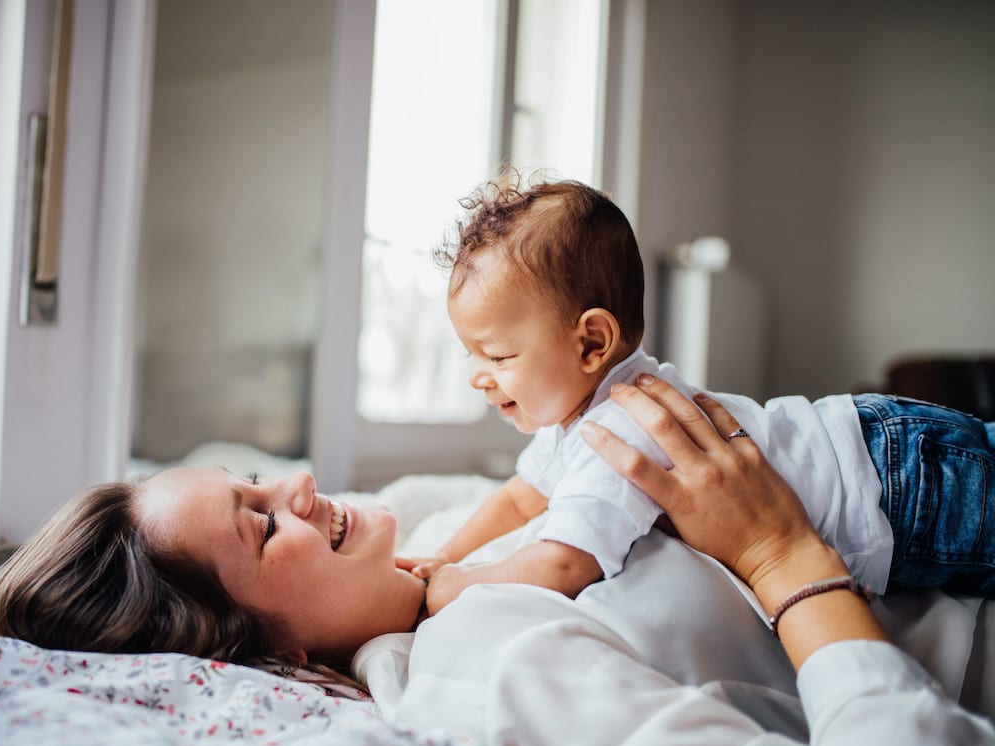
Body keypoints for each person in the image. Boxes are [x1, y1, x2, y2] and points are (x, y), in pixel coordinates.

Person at [0, 376, 995, 746]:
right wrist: (782, 557)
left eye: (256, 479)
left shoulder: (433, 552)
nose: (300, 487)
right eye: (263, 523)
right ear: (265, 654)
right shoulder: (490, 668)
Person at [406, 174, 995, 615]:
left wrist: (460, 586)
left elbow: (561, 565)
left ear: (591, 343)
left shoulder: (621, 429)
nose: (478, 376)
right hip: (882, 450)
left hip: (896, 487)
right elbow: (519, 500)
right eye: (471, 355)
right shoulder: (580, 417)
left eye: (498, 356)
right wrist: (447, 556)